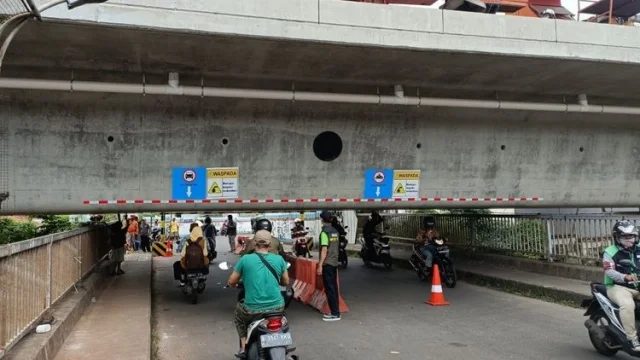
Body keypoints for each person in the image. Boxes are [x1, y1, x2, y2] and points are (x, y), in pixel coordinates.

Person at [226, 230, 290, 358]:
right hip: (277, 308)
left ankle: (244, 346)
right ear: (270, 244)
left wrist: (236, 282)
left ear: (254, 243)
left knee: (239, 315)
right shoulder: (279, 259)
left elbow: (231, 281)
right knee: (283, 322)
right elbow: (286, 281)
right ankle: (285, 345)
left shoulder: (246, 259)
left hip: (252, 310)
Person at [603, 220, 640, 351]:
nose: (628, 239)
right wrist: (624, 277)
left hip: (637, 285)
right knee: (627, 304)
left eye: (631, 236)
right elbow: (609, 271)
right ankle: (632, 338)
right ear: (617, 238)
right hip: (618, 287)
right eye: (624, 237)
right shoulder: (610, 252)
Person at [317, 210, 341, 321]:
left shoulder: (324, 233)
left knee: (330, 289)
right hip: (335, 262)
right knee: (334, 288)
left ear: (322, 220)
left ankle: (335, 314)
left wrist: (320, 265)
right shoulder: (335, 231)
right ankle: (336, 311)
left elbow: (324, 249)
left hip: (327, 263)